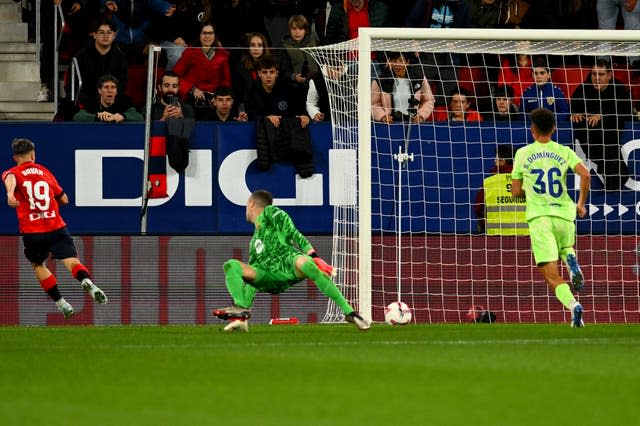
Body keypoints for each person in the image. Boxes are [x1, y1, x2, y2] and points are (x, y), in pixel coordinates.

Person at [212, 189, 370, 331]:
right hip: (267, 276)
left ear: (251, 203)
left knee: (305, 263)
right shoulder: (254, 242)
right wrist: (243, 313)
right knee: (231, 265)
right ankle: (240, 310)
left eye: (246, 206)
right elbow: (252, 280)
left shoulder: (270, 212)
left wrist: (314, 255)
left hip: (287, 265)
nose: (245, 210)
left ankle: (350, 312)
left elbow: (294, 233)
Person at [2, 138, 108, 319]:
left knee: (38, 264)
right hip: (56, 227)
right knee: (72, 261)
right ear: (33, 154)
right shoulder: (44, 172)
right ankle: (86, 281)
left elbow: (10, 178)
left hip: (32, 231)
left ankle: (61, 303)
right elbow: (64, 199)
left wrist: (10, 193)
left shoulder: (12, 172)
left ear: (15, 157)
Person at [511, 108, 591, 327]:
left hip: (540, 218)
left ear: (532, 129)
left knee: (551, 276)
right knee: (566, 248)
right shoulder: (563, 151)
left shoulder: (523, 153)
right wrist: (581, 204)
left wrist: (531, 192)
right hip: (565, 214)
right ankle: (571, 260)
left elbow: (516, 191)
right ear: (554, 128)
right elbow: (585, 174)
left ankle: (574, 306)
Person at [244, 55, 314, 178]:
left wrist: (304, 116)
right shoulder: (252, 88)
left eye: (271, 72)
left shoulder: (286, 87)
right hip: (266, 141)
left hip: (287, 138)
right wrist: (266, 118)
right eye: (265, 72)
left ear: (277, 73)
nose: (268, 76)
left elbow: (299, 108)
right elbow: (250, 112)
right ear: (259, 74)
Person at [570, 59, 632, 191]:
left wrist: (602, 115)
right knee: (583, 124)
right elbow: (572, 107)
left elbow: (626, 112)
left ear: (609, 75)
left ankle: (613, 180)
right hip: (592, 138)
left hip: (611, 134)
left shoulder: (619, 89)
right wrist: (575, 113)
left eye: (601, 74)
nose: (596, 78)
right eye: (593, 74)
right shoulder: (583, 88)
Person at [73, 16, 129, 106]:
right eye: (101, 32)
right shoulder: (81, 56)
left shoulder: (120, 57)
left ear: (114, 36)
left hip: (112, 102)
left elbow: (122, 84)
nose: (105, 36)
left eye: (109, 33)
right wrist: (90, 102)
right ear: (94, 35)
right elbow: (73, 85)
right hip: (86, 102)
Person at [173, 22, 232, 105]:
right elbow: (175, 76)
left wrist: (217, 95)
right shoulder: (190, 52)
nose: (207, 36)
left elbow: (226, 81)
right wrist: (193, 89)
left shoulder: (222, 54)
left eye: (210, 33)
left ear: (215, 36)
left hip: (213, 98)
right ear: (199, 35)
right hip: (190, 97)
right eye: (204, 33)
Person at [473, 144, 527, 235]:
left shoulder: (489, 182)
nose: (494, 161)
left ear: (502, 161)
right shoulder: (527, 181)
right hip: (527, 236)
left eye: (496, 158)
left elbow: (478, 209)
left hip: (497, 238)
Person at [371, 51, 435, 124]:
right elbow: (373, 105)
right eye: (394, 60)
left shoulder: (419, 79)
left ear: (407, 62)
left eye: (401, 60)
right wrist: (383, 116)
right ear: (389, 62)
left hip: (413, 124)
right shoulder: (380, 81)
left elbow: (429, 100)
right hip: (390, 126)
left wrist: (421, 115)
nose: (397, 64)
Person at [73, 74, 144, 122]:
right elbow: (77, 117)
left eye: (113, 87)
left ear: (116, 91)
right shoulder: (92, 102)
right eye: (106, 87)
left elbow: (139, 117)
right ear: (99, 90)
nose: (110, 91)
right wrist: (97, 116)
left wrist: (123, 116)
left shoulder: (124, 102)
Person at [520, 56, 569, 122]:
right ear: (532, 75)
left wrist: (548, 119)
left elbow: (565, 113)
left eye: (542, 73)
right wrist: (536, 120)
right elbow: (521, 115)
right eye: (536, 73)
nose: (539, 76)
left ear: (549, 74)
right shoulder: (527, 93)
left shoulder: (557, 92)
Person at [232, 32, 271, 106]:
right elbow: (238, 93)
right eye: (252, 45)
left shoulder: (271, 65)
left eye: (259, 45)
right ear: (248, 47)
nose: (256, 48)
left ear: (264, 47)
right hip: (248, 105)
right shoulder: (240, 66)